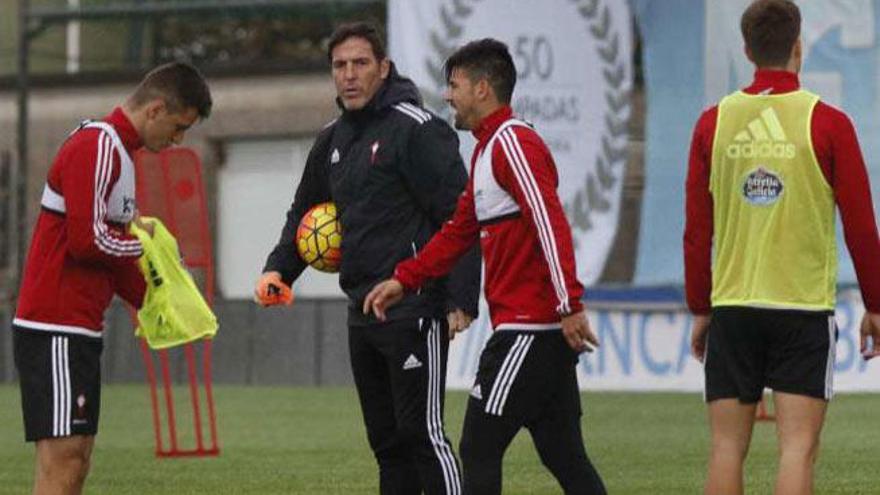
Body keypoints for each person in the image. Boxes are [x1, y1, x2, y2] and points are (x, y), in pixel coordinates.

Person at [364, 38, 607, 495]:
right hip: (537, 333)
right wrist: (403, 279)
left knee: (478, 447)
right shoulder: (486, 150)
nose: (448, 95)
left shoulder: (513, 142)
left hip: (528, 331)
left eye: (453, 85)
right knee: (563, 454)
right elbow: (458, 232)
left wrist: (569, 303)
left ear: (481, 89)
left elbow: (550, 222)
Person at [254, 22, 480, 495]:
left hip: (415, 309)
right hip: (361, 311)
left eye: (360, 64)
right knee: (386, 443)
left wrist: (460, 294)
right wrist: (279, 270)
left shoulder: (417, 131)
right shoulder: (331, 139)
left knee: (423, 436)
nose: (349, 75)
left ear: (384, 68)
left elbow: (460, 214)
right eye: (340, 65)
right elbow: (305, 213)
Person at [684, 1, 880, 494]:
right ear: (799, 47)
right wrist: (876, 305)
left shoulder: (714, 123)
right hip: (802, 309)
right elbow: (861, 226)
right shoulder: (829, 123)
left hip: (733, 307)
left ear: (747, 51)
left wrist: (700, 307)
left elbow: (695, 230)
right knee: (797, 450)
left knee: (726, 450)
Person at [12, 61, 212, 495]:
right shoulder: (97, 144)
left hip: (78, 327)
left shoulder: (120, 155)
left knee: (78, 456)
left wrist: (150, 302)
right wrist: (148, 249)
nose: (178, 140)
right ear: (156, 110)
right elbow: (88, 241)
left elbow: (110, 243)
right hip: (55, 326)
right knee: (62, 459)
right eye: (178, 127)